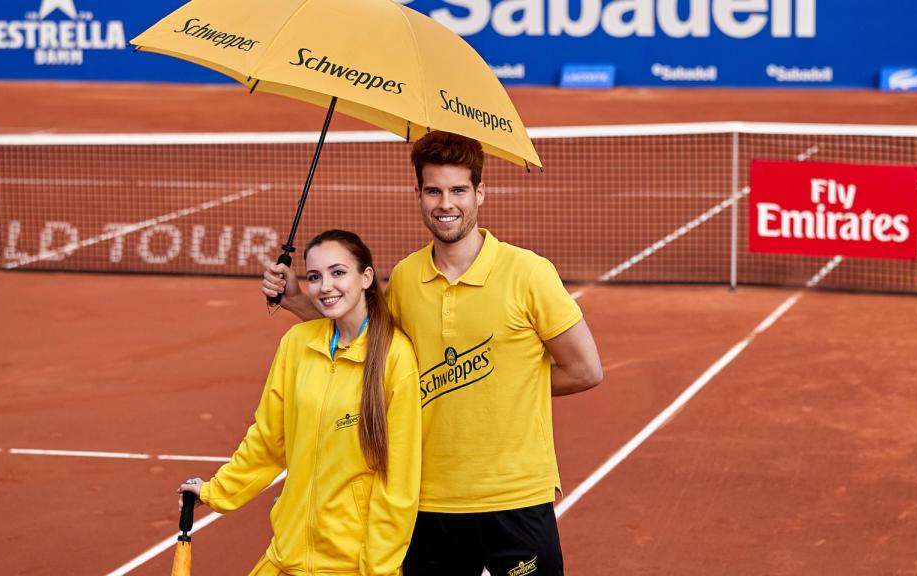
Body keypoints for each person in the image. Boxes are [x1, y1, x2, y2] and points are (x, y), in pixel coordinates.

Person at [263, 132, 603, 576]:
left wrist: (511, 383)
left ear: (480, 192)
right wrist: (295, 299)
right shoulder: (405, 278)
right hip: (426, 499)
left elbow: (585, 370)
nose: (447, 203)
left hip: (514, 497)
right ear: (419, 195)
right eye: (434, 191)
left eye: (459, 190)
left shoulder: (529, 274)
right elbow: (366, 340)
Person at [181, 229, 421, 576]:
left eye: (338, 272)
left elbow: (398, 483)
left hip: (352, 566)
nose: (325, 286)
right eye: (314, 276)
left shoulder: (395, 359)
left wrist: (379, 568)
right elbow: (268, 439)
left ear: (366, 277)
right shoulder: (297, 344)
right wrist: (216, 490)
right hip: (287, 554)